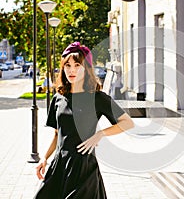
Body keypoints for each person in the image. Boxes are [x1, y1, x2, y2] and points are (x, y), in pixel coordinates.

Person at [34, 42, 134, 199]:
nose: (71, 70)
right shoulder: (58, 99)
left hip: (83, 168)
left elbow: (128, 122)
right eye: (67, 65)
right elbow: (57, 134)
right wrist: (44, 158)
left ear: (86, 69)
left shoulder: (97, 98)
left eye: (77, 65)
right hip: (59, 166)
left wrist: (100, 134)